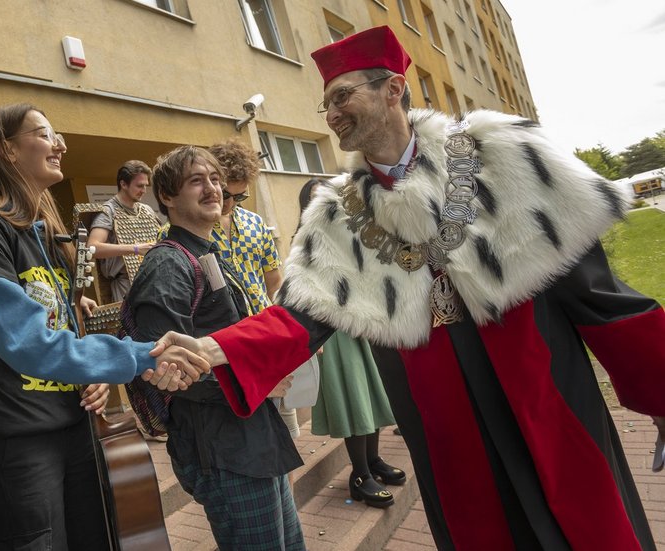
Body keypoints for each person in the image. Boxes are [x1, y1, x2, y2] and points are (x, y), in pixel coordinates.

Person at [157, 26, 665, 550]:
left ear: (393, 89)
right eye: (325, 105)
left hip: (547, 387)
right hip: (442, 417)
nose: (331, 114)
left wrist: (660, 390)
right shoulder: (335, 216)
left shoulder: (503, 155)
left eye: (342, 96)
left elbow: (597, 291)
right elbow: (298, 316)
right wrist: (213, 347)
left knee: (587, 521)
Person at [0, 103, 208, 551]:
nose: (60, 143)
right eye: (45, 134)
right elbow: (28, 343)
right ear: (7, 150)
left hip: (75, 423)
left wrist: (92, 375)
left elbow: (62, 329)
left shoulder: (43, 232)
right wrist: (136, 356)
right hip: (19, 438)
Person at [125, 145, 304, 550]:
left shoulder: (205, 252)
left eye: (215, 180)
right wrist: (251, 380)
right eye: (196, 181)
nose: (213, 189)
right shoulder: (169, 265)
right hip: (223, 451)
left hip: (252, 438)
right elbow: (163, 371)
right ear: (167, 197)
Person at [298, 178, 402, 508]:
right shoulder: (306, 241)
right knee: (355, 400)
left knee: (370, 396)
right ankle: (359, 475)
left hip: (364, 326)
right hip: (335, 331)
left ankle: (373, 461)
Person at [88, 160, 159, 302]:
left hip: (154, 281)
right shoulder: (109, 211)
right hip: (126, 287)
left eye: (145, 186)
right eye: (139, 186)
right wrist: (135, 249)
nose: (144, 191)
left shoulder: (147, 210)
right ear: (123, 184)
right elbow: (92, 247)